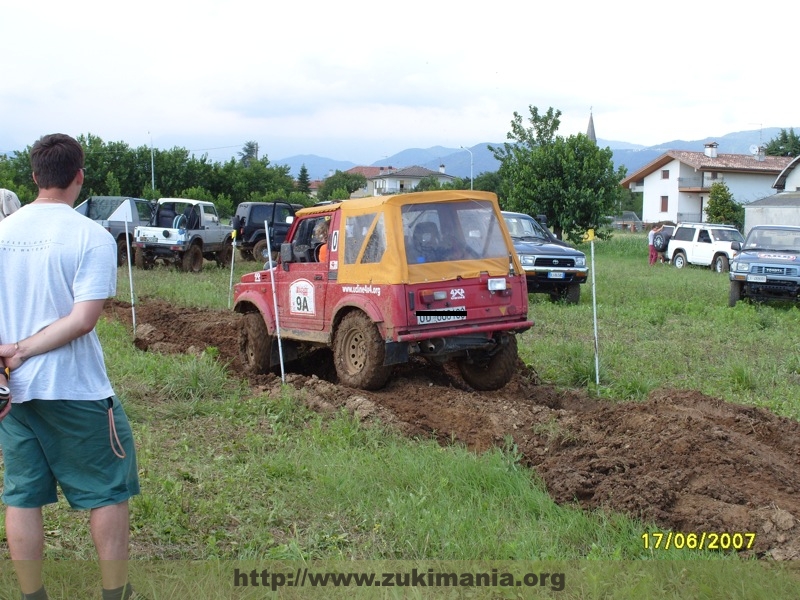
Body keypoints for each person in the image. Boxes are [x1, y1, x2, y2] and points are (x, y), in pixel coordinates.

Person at [0, 134, 142, 600]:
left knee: (21, 496)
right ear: (79, 177)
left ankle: (31, 595)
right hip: (76, 389)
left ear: (35, 176)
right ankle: (113, 593)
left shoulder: (2, 234)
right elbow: (83, 320)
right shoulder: (93, 237)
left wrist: (9, 362)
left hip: (13, 393)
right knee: (107, 489)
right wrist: (21, 350)